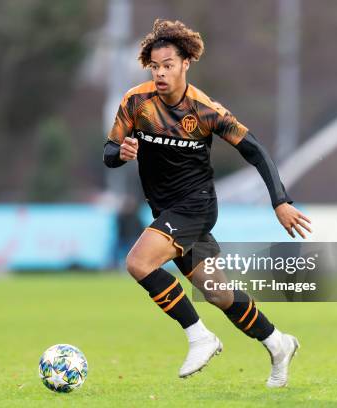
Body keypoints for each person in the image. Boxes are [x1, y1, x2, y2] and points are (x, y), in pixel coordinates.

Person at [103, 19, 311, 387]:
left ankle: (199, 336)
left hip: (195, 206)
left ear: (186, 63)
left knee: (138, 262)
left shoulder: (205, 110)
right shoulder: (136, 102)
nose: (161, 72)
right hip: (166, 210)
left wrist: (280, 200)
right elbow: (108, 152)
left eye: (168, 64)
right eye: (155, 66)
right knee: (217, 291)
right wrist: (122, 152)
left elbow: (257, 151)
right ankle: (278, 343)